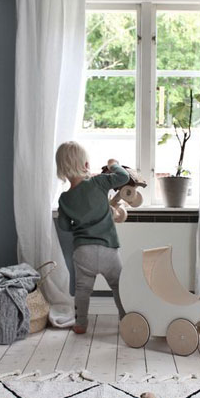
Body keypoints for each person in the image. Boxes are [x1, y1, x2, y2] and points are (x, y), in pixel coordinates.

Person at [55, 141, 129, 334]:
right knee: (118, 286)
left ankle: (80, 323)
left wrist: (78, 221)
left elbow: (63, 226)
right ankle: (126, 320)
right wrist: (113, 164)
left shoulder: (64, 199)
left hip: (83, 251)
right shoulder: (99, 182)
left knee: (82, 289)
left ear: (61, 169)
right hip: (108, 250)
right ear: (86, 166)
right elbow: (123, 177)